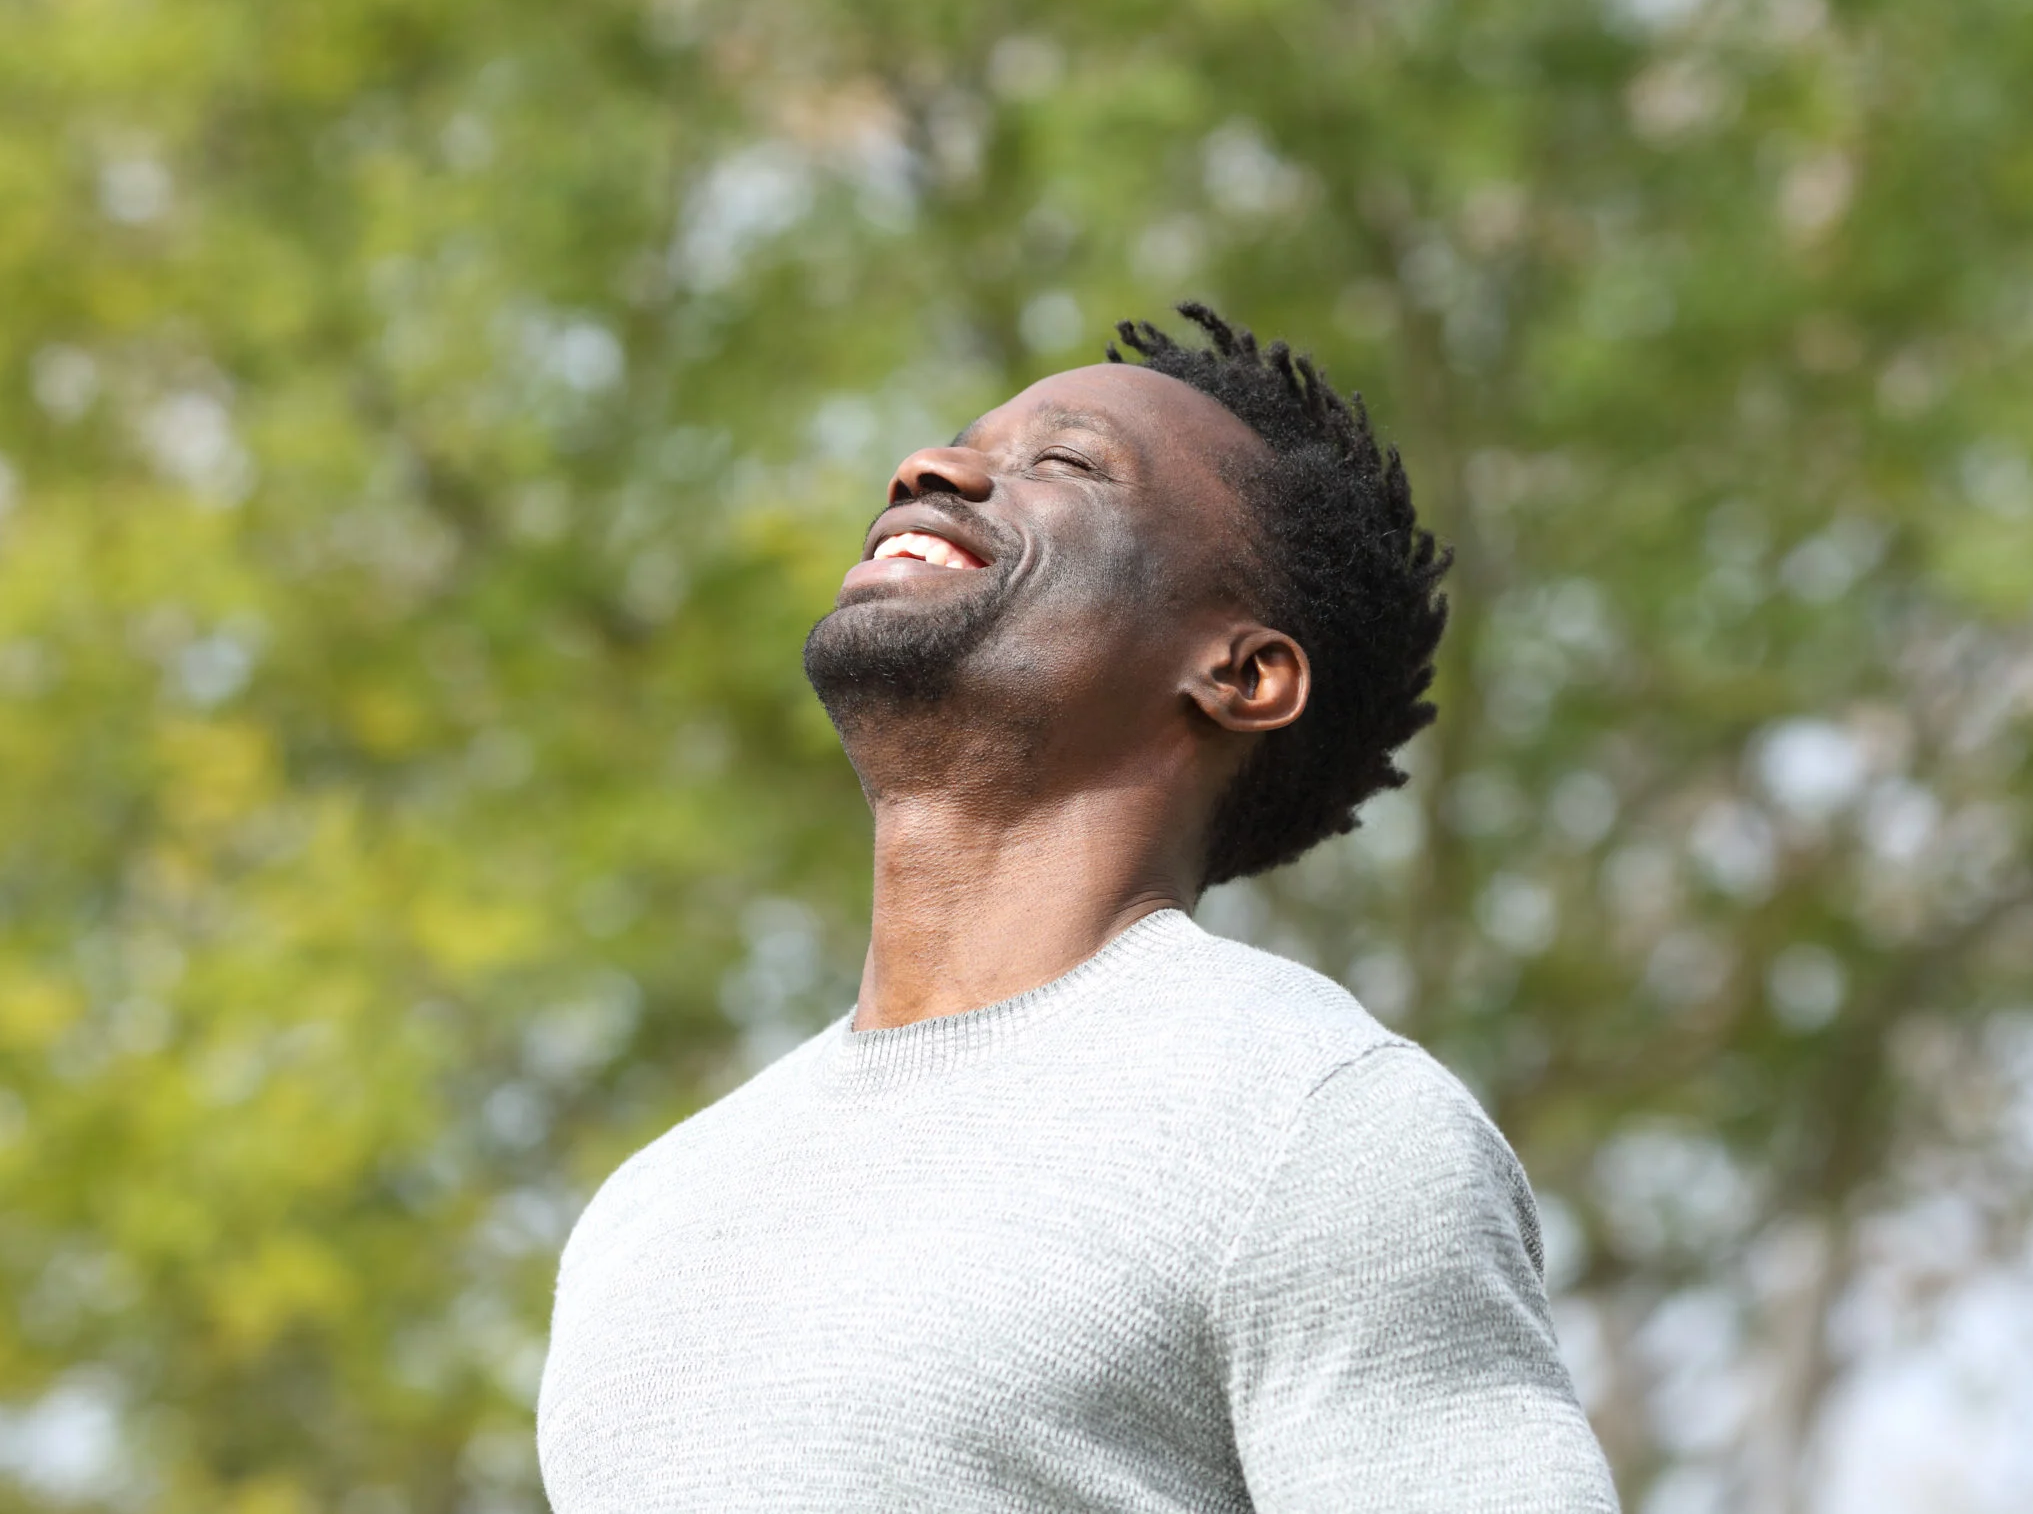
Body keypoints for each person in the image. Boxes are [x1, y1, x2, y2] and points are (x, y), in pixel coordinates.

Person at [536, 303, 1618, 1512]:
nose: (931, 470)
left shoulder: (1311, 1123)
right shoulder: (652, 1208)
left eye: (1062, 464)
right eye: (957, 445)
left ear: (1240, 672)